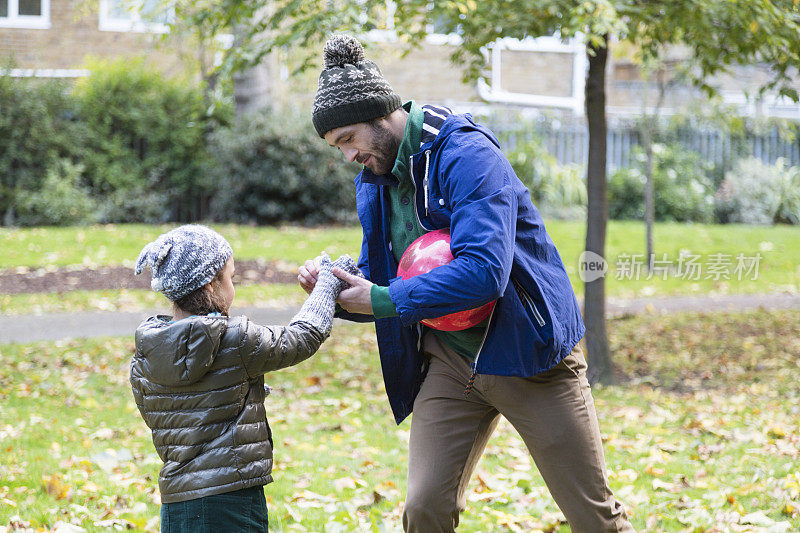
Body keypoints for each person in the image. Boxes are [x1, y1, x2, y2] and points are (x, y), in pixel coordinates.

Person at [300, 35, 635, 532]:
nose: (347, 154)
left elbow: (483, 272)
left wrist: (383, 299)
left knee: (593, 517)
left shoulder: (465, 153)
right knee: (424, 509)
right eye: (337, 146)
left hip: (530, 355)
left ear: (381, 114)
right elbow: (392, 278)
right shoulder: (374, 179)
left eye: (348, 138)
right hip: (451, 363)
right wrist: (339, 289)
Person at [131, 224, 356, 532]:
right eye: (231, 277)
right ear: (211, 285)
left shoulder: (146, 353)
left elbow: (166, 412)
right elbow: (303, 337)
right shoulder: (234, 340)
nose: (233, 287)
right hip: (231, 498)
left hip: (177, 503)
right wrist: (327, 286)